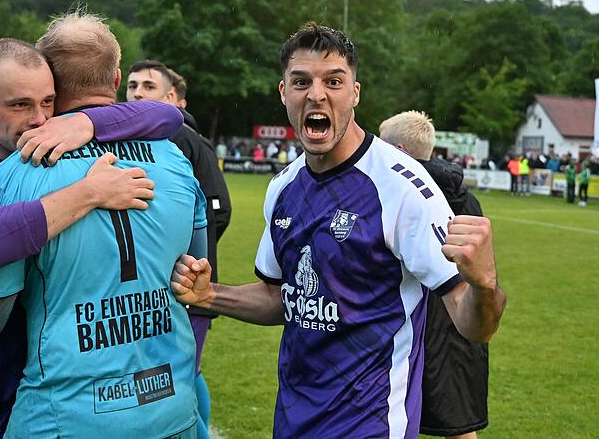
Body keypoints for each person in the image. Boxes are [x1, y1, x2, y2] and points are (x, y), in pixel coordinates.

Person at [170, 23, 506, 438]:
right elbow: (281, 297)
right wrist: (210, 295)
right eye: (301, 81)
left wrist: (484, 284)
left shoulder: (402, 188)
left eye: (333, 81)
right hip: (294, 418)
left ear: (355, 93)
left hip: (372, 424)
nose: (316, 94)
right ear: (283, 93)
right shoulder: (283, 188)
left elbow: (473, 324)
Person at [0, 23, 203, 438]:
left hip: (64, 416)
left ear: (54, 87)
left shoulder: (15, 174)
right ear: (116, 80)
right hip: (170, 403)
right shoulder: (176, 158)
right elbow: (194, 272)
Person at [127, 60, 233, 436]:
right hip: (166, 285)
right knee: (171, 375)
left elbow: (218, 208)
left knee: (181, 376)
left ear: (172, 99)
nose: (138, 93)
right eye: (132, 85)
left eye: (149, 87)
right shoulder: (144, 139)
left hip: (185, 286)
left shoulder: (181, 140)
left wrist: (182, 257)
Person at [380, 110, 489, 439]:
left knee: (393, 419)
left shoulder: (405, 195)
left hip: (424, 321)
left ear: (398, 151)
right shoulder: (465, 197)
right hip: (458, 325)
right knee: (458, 425)